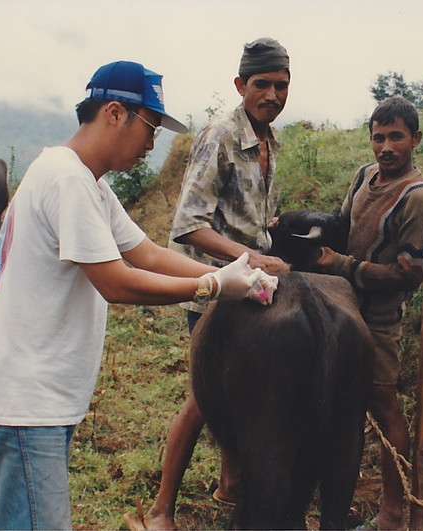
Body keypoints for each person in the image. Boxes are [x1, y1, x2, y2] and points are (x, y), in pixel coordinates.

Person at [0, 60, 279, 531]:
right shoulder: (68, 179)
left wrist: (236, 272)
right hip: (21, 400)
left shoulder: (88, 183)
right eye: (149, 129)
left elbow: (145, 253)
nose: (152, 145)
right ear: (114, 112)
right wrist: (212, 286)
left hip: (32, 398)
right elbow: (116, 281)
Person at [133, 38, 291, 530]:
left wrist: (276, 237)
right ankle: (160, 510)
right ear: (240, 85)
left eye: (280, 85)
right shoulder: (219, 136)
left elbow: (252, 216)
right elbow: (187, 223)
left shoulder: (268, 140)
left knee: (245, 388)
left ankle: (230, 484)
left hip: (253, 282)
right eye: (261, 84)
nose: (271, 94)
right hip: (212, 283)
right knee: (208, 395)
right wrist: (253, 256)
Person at [316, 96, 423, 529]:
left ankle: (392, 510)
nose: (386, 147)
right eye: (378, 137)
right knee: (337, 400)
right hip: (341, 305)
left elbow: (409, 273)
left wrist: (344, 266)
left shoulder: (418, 197)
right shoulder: (365, 176)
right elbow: (342, 227)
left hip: (378, 319)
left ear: (415, 139)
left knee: (383, 403)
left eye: (396, 137)